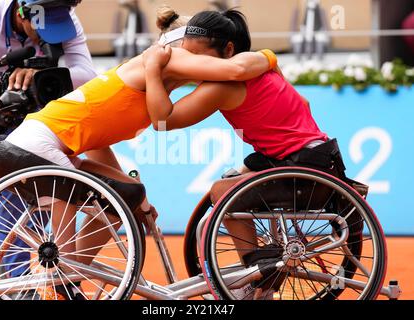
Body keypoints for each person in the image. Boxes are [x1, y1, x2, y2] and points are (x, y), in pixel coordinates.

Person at [0, 8, 277, 299]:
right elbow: (237, 70)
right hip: (32, 147)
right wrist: (269, 57)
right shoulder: (168, 57)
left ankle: (70, 279)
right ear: (183, 44)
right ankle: (63, 279)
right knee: (63, 255)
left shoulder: (159, 75)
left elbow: (98, 143)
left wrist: (138, 197)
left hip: (35, 146)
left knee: (126, 196)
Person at [143, 11, 348, 300]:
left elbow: (162, 121)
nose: (196, 66)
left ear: (228, 50)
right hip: (319, 157)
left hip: (304, 169)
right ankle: (262, 264)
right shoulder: (259, 66)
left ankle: (259, 275)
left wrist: (153, 71)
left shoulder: (223, 84)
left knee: (221, 192)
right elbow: (303, 101)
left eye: (201, 59)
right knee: (236, 176)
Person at [0, 0, 116, 281]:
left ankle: (45, 280)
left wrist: (39, 76)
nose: (49, 36)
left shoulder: (63, 16)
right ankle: (18, 282)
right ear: (22, 13)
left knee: (45, 194)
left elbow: (87, 75)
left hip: (34, 113)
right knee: (10, 197)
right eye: (43, 27)